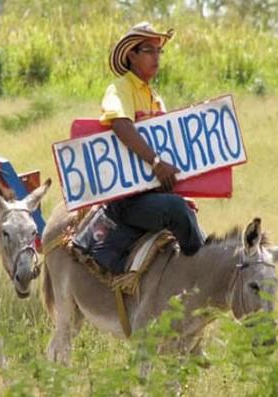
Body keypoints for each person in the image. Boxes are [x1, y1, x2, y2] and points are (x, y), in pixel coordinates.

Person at [91, 22, 205, 274]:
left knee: (188, 213)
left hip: (154, 193)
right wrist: (155, 163)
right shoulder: (120, 88)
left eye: (159, 51)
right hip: (128, 199)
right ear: (131, 55)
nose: (156, 57)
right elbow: (120, 124)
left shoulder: (156, 97)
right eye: (149, 50)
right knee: (177, 211)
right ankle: (199, 276)